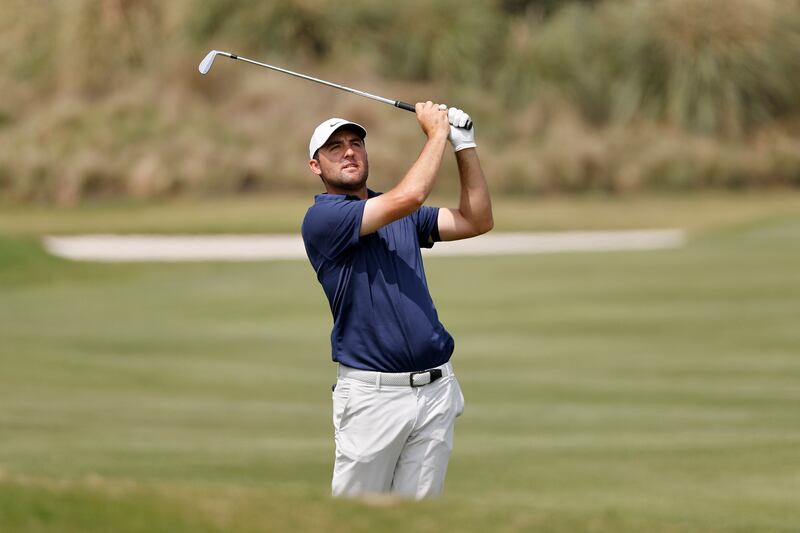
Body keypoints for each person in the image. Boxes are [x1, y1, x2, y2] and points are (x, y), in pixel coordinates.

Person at [301, 101, 493, 499]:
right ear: (316, 167)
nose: (349, 151)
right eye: (334, 148)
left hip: (436, 391)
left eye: (356, 142)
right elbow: (411, 195)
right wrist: (437, 133)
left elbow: (476, 220)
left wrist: (464, 145)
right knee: (355, 522)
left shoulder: (399, 212)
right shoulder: (323, 219)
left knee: (416, 522)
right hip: (373, 399)